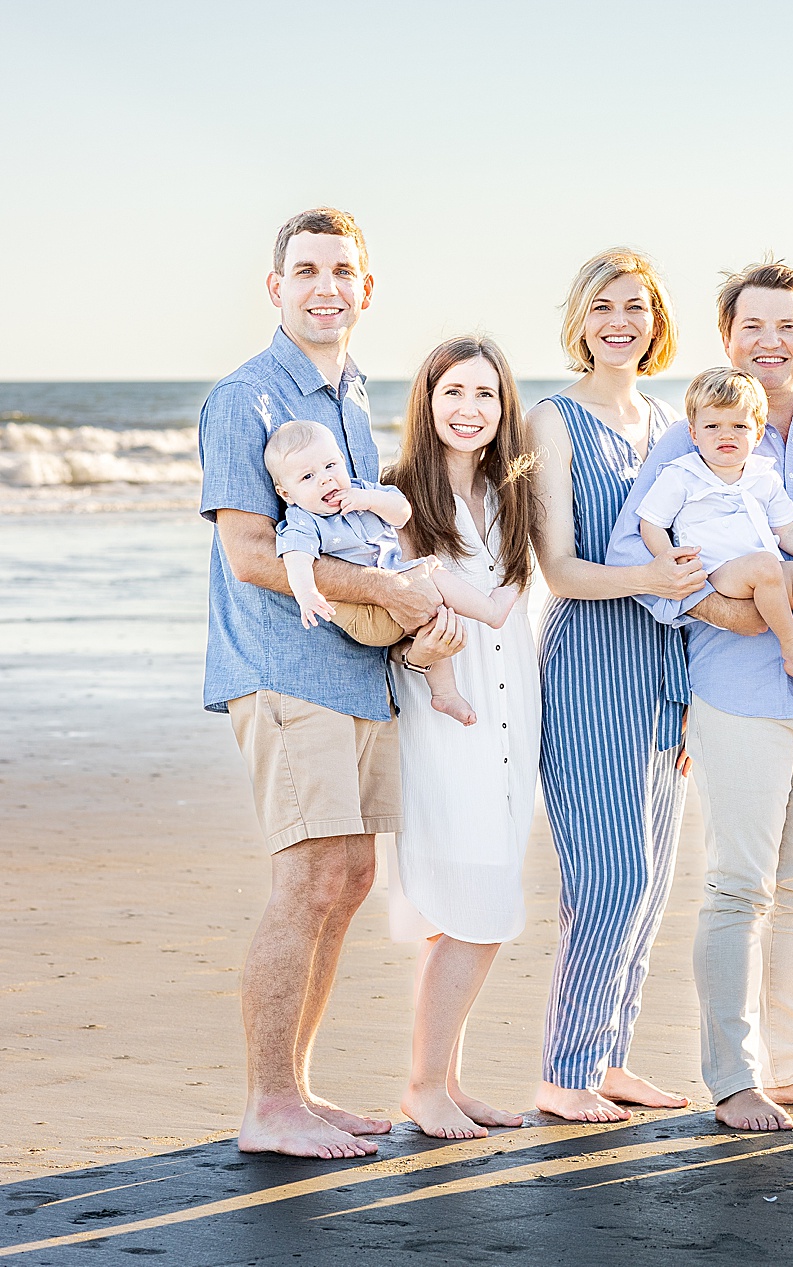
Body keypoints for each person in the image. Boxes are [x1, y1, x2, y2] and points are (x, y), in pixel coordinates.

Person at [608, 257, 793, 1132]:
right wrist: (716, 608)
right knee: (738, 887)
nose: (769, 342)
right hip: (737, 696)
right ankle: (734, 1077)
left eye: (786, 326)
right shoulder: (695, 437)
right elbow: (635, 552)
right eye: (751, 327)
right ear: (727, 336)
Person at [200, 207, 447, 1159]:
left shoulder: (350, 392)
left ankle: (296, 1087)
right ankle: (267, 1104)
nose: (325, 286)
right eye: (305, 269)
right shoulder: (245, 397)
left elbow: (362, 525)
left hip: (357, 670)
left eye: (342, 270)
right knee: (304, 878)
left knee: (349, 877)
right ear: (276, 287)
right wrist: (387, 589)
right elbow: (253, 553)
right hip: (282, 665)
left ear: (366, 289)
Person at [526, 248, 708, 1123]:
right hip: (588, 663)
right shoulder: (552, 420)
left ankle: (611, 1055)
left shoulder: (672, 421)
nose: (621, 322)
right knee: (609, 876)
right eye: (604, 306)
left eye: (636, 306)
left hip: (665, 670)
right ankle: (564, 1070)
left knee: (655, 877)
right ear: (580, 320)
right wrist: (654, 580)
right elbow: (558, 569)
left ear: (656, 321)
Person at [380, 336, 541, 1138]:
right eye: (454, 393)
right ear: (428, 400)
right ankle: (422, 1085)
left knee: (474, 903)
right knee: (473, 905)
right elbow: (380, 616)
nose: (470, 409)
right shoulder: (399, 496)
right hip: (448, 719)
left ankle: (444, 1077)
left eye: (486, 394)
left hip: (518, 719)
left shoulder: (512, 495)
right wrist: (418, 653)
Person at [264, 418, 519, 726]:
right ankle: (490, 611)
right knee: (431, 574)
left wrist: (368, 499)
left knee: (434, 617)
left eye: (331, 466)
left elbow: (401, 514)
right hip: (368, 615)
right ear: (287, 493)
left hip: (399, 593)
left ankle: (445, 694)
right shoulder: (304, 522)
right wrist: (307, 595)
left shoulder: (363, 491)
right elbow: (296, 560)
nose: (325, 480)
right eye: (307, 476)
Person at [635, 368, 793, 703]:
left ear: (758, 433)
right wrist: (668, 561)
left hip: (768, 577)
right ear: (693, 433)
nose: (725, 435)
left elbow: (786, 530)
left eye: (739, 426)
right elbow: (651, 523)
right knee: (764, 564)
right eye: (713, 426)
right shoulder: (682, 475)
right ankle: (792, 645)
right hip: (720, 575)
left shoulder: (764, 476)